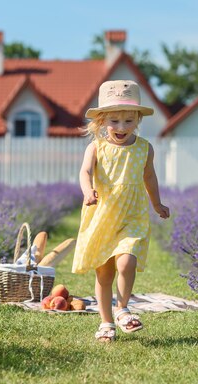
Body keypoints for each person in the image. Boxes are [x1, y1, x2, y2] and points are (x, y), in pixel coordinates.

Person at [72, 80, 170, 342]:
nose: (121, 127)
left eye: (128, 121)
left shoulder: (144, 148)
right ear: (102, 120)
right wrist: (87, 190)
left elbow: (149, 177)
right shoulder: (96, 147)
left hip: (132, 215)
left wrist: (157, 204)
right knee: (104, 273)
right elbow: (85, 172)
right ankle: (105, 323)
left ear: (138, 119)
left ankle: (122, 309)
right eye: (114, 121)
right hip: (102, 215)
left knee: (127, 260)